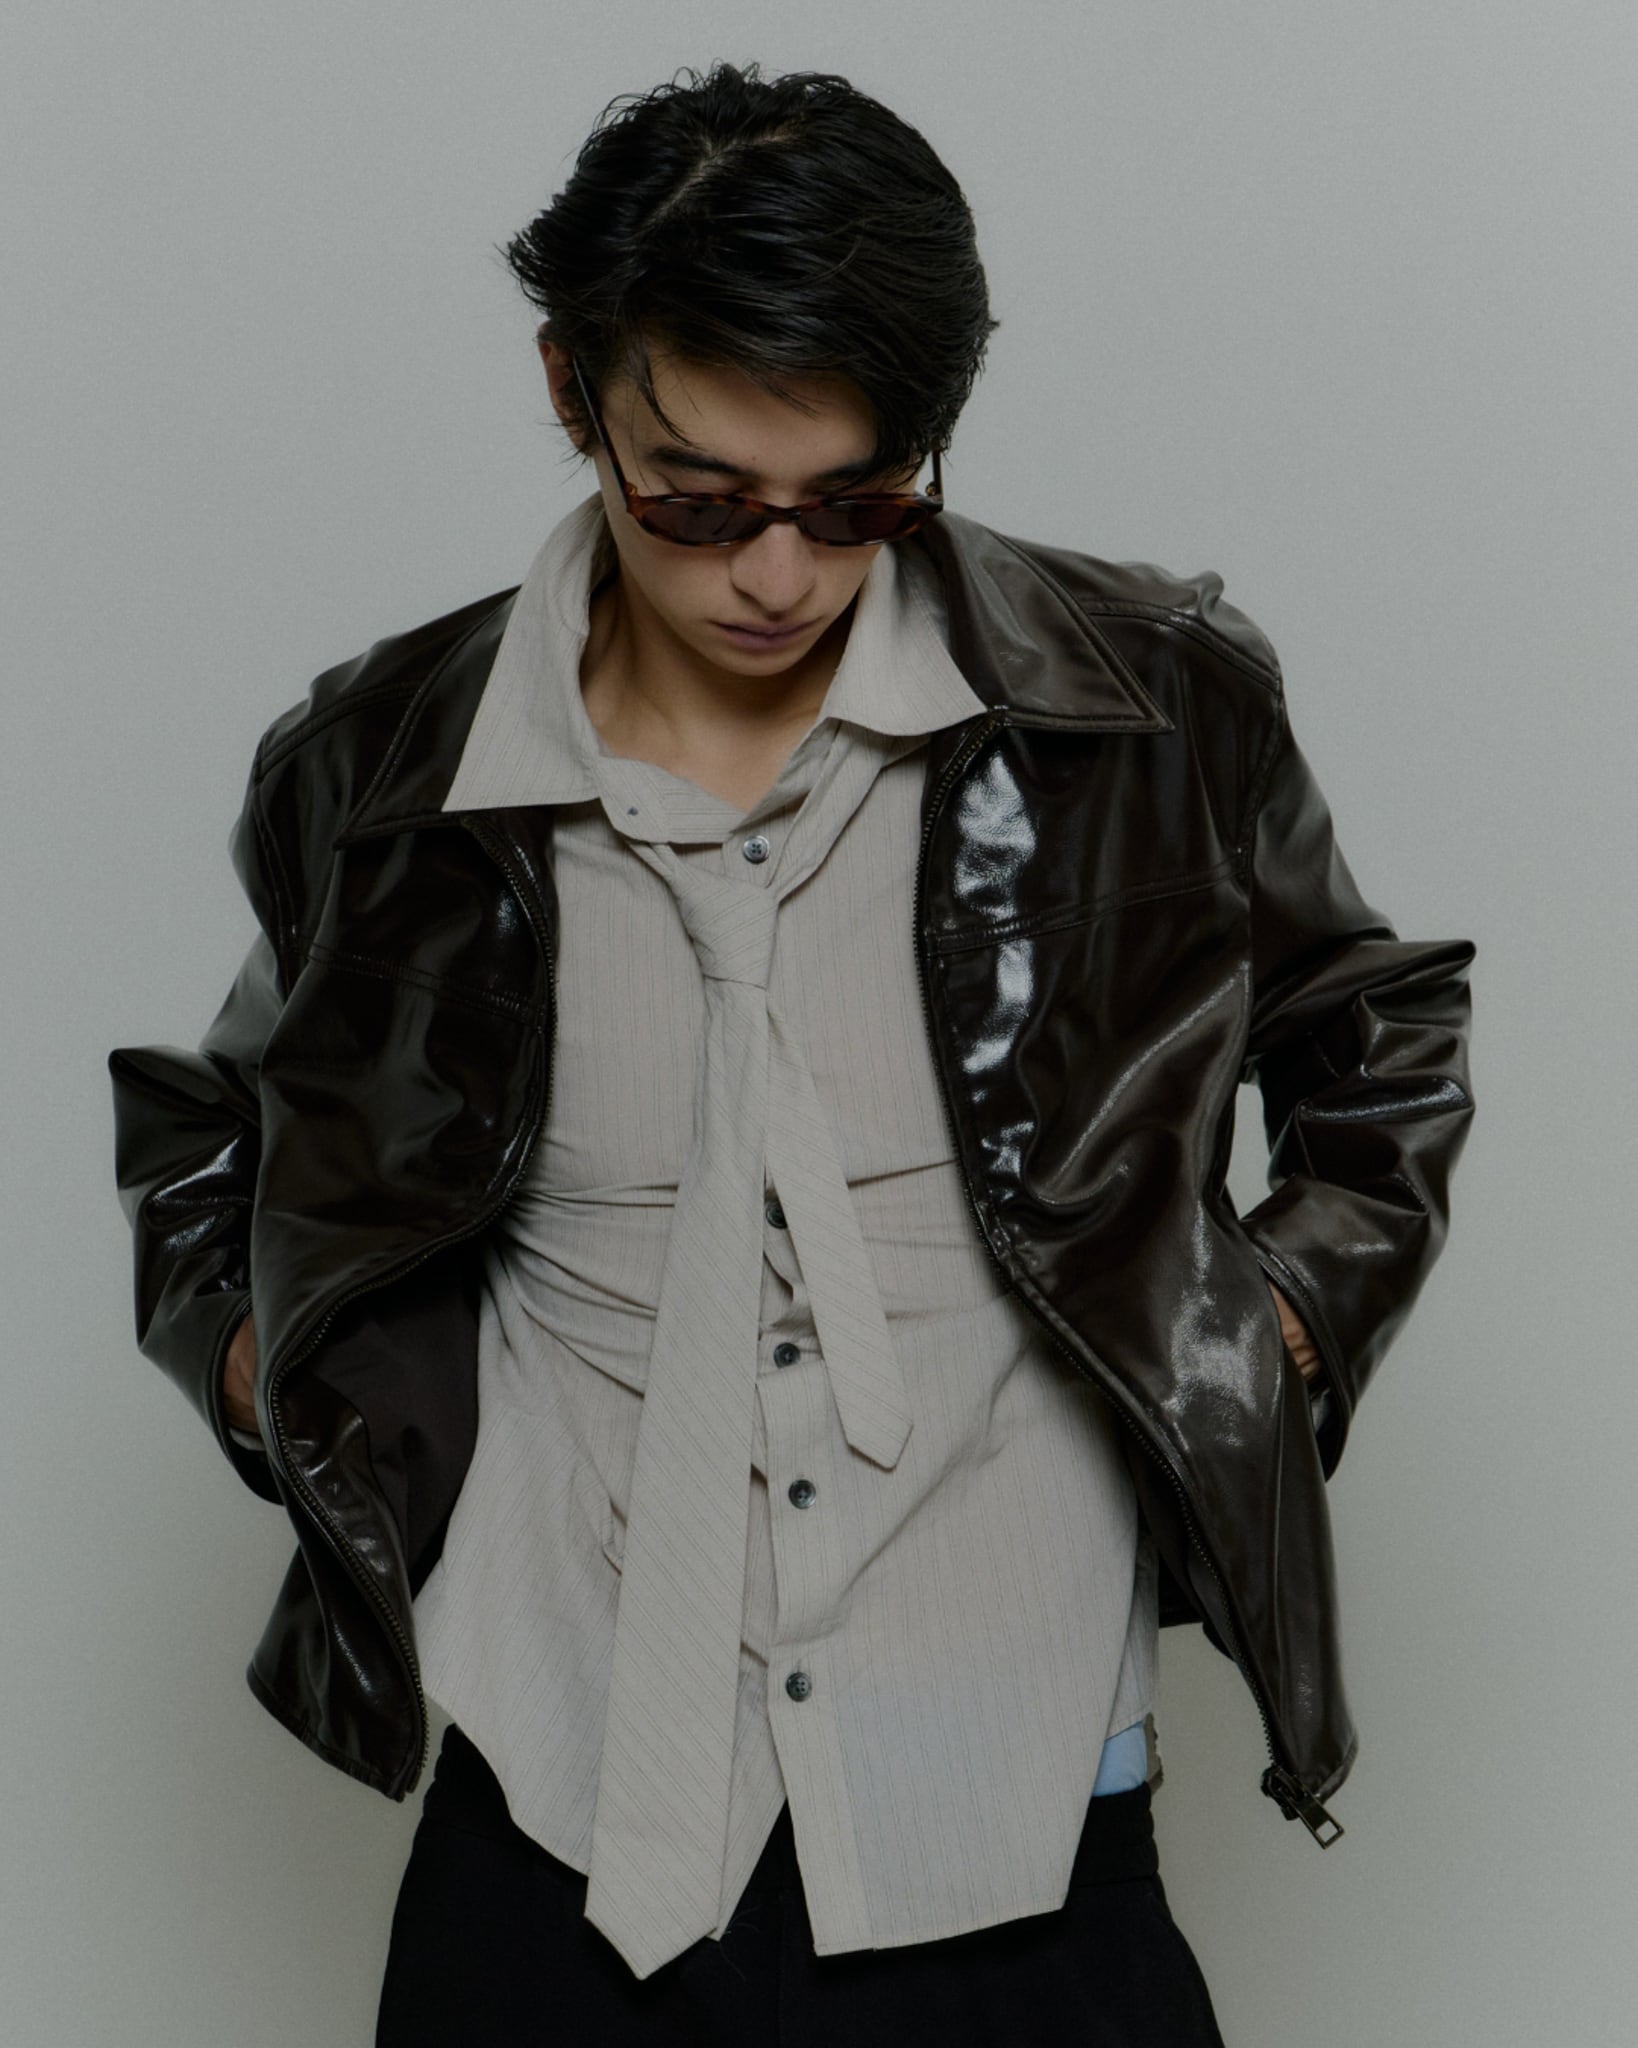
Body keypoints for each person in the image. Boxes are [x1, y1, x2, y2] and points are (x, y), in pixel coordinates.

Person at [107, 60, 1475, 2047]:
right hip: (550, 1840)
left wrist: (1268, 1330)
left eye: (856, 502)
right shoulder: (382, 773)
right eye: (696, 501)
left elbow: (1377, 1030)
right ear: (572, 392)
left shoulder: (1149, 718)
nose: (774, 574)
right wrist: (257, 1364)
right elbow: (210, 1123)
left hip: (1023, 1837)